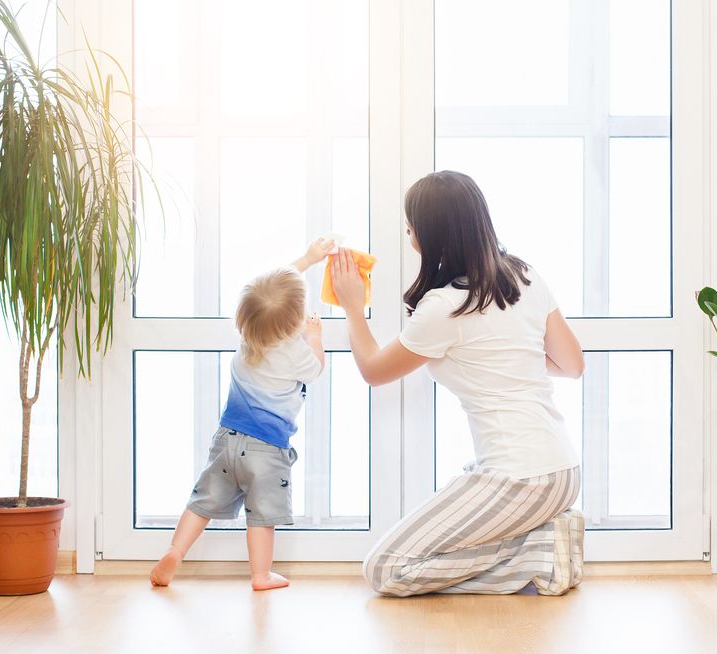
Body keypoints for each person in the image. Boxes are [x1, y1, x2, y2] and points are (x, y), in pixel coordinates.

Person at [331, 171, 585, 596]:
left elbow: (374, 371)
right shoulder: (523, 275)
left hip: (521, 478)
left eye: (411, 228)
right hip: (561, 471)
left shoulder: (446, 305)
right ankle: (539, 542)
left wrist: (353, 307)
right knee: (457, 496)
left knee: (386, 570)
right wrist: (508, 356)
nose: (409, 235)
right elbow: (572, 364)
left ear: (430, 236)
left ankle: (535, 554)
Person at [149, 239, 334, 590]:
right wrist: (315, 336)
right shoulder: (295, 350)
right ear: (296, 321)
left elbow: (275, 292)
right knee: (262, 516)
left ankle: (175, 551)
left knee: (202, 500)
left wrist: (307, 260)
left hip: (227, 439)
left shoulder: (249, 336)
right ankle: (261, 576)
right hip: (267, 449)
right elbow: (316, 370)